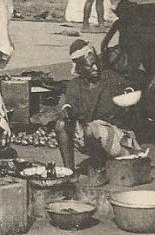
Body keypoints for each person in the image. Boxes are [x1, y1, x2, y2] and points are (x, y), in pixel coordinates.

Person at [35, 40, 141, 172]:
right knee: (61, 125)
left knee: (91, 128)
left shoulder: (110, 78)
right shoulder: (74, 86)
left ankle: (100, 165)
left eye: (96, 63)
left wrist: (128, 93)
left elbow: (131, 87)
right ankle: (69, 171)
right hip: (89, 135)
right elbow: (69, 106)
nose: (95, 68)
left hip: (117, 139)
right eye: (90, 66)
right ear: (79, 68)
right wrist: (68, 111)